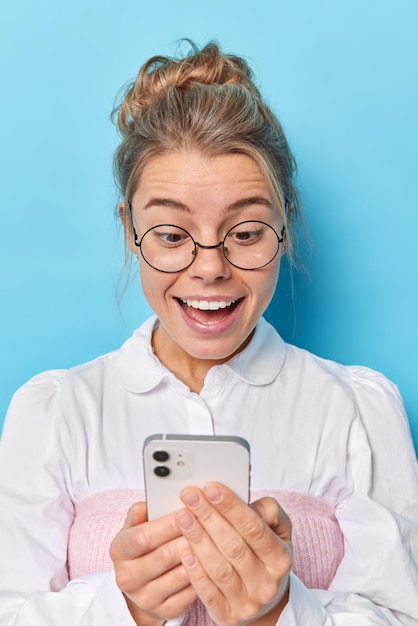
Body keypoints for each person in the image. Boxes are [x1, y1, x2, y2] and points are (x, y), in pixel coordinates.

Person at [0, 41, 417, 626]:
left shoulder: (357, 410)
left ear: (284, 223)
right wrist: (126, 608)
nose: (210, 267)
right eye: (171, 235)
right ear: (130, 229)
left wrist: (279, 612)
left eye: (246, 232)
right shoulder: (53, 414)